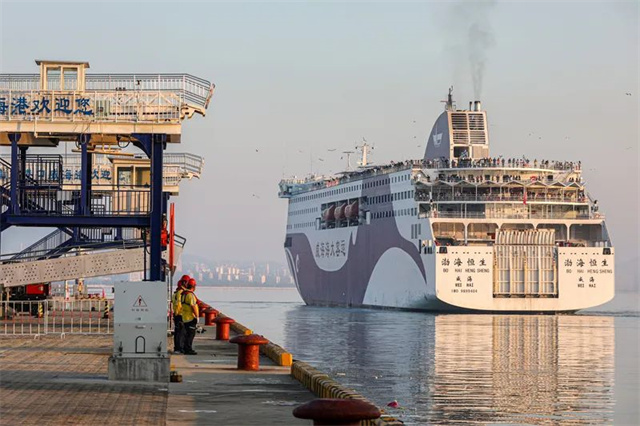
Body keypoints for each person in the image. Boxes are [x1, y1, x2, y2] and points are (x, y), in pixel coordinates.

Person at [180, 279, 200, 355]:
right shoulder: (190, 295)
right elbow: (193, 306)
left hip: (185, 317)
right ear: (193, 286)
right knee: (190, 334)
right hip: (190, 318)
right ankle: (188, 349)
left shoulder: (183, 294)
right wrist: (197, 316)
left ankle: (185, 348)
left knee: (187, 334)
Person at [171, 274, 190, 354]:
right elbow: (179, 304)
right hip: (180, 315)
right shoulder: (181, 293)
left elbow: (173, 304)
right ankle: (179, 348)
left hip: (177, 314)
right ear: (185, 283)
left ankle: (177, 348)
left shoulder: (176, 293)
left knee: (178, 332)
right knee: (181, 332)